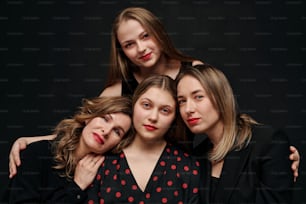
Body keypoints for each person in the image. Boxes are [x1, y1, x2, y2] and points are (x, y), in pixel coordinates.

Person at [8, 6, 300, 180]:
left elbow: (224, 116)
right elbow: (83, 128)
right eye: (129, 44)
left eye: (145, 36)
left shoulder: (193, 69)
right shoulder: (118, 88)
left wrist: (270, 149)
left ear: (158, 32)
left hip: (189, 174)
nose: (141, 48)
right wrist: (32, 141)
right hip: (131, 173)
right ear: (122, 51)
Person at [176, 64, 294, 203]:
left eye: (199, 97)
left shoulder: (268, 143)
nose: (188, 109)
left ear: (221, 97)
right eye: (182, 101)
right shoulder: (197, 156)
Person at [85, 75, 201, 203]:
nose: (153, 117)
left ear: (174, 117)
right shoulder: (102, 161)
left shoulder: (187, 167)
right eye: (146, 105)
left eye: (165, 110)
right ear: (134, 105)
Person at [8, 96, 133, 203]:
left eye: (117, 131)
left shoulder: (105, 176)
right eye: (105, 119)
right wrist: (76, 187)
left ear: (118, 144)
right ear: (89, 117)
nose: (106, 131)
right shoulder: (37, 154)